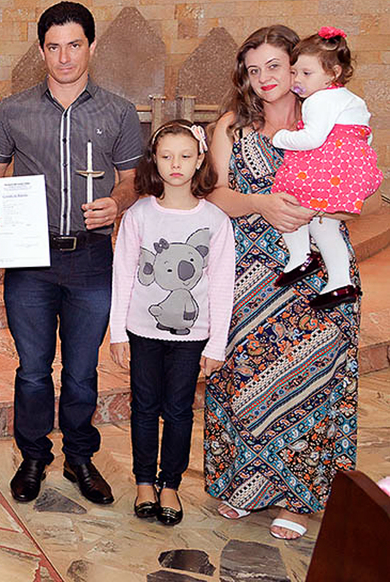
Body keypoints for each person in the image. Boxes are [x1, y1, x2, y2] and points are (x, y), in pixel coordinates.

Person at [0, 1, 142, 505]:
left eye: (74, 45)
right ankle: (34, 455)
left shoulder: (118, 111)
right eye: (53, 46)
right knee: (32, 367)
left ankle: (81, 458)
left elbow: (132, 180)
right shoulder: (14, 110)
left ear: (90, 46)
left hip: (90, 258)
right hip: (31, 258)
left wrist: (117, 202)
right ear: (41, 50)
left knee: (83, 369)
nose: (64, 57)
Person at [204, 25, 360, 541]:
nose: (265, 78)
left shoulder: (330, 116)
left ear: (297, 67)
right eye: (253, 69)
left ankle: (299, 495)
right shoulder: (232, 126)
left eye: (275, 66)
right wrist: (261, 204)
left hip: (318, 272)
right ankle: (243, 484)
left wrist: (322, 207)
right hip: (251, 274)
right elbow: (218, 196)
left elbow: (369, 196)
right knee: (244, 378)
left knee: (310, 384)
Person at [108, 120, 234, 527]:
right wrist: (117, 332)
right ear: (154, 161)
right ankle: (144, 481)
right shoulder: (140, 214)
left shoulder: (215, 220)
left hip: (191, 337)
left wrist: (216, 345)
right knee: (144, 407)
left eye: (184, 156)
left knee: (179, 410)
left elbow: (220, 284)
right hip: (142, 330)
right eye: (166, 156)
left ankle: (170, 485)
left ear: (200, 159)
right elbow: (124, 273)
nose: (175, 165)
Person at [269, 27, 380, 309]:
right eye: (294, 72)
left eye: (307, 73)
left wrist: (282, 137)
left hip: (329, 165)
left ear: (333, 73)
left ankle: (300, 256)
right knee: (325, 224)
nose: (297, 80)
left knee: (288, 195)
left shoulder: (318, 100)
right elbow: (364, 132)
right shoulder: (349, 98)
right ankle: (341, 282)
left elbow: (312, 138)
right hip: (352, 166)